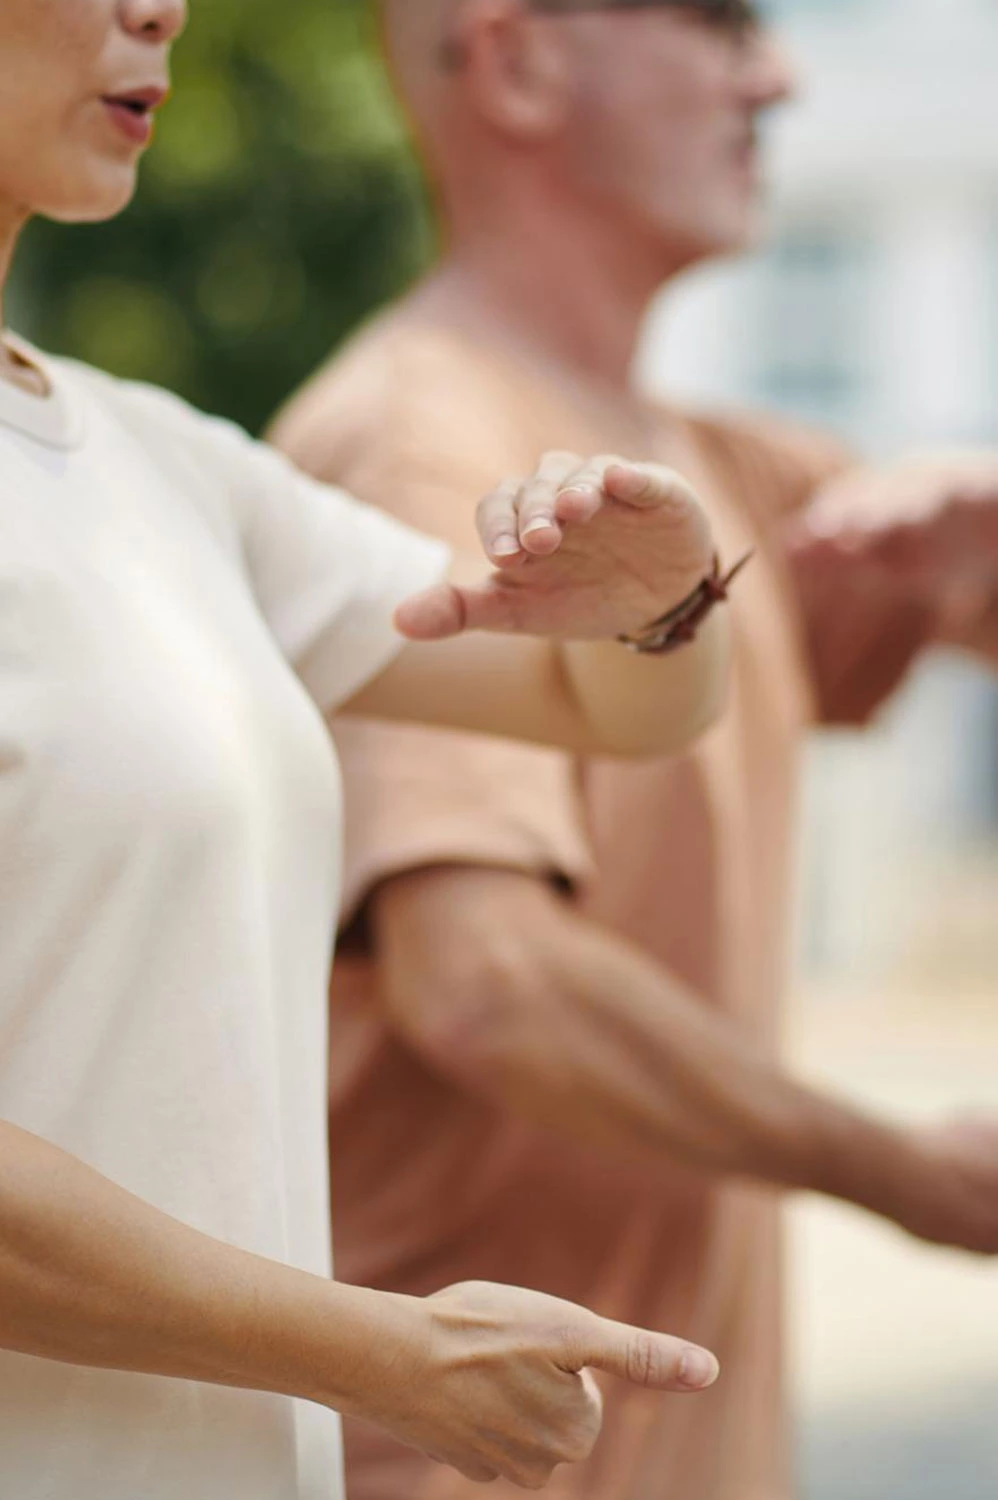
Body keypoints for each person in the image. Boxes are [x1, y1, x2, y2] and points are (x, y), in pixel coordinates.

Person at [0, 4, 736, 1499]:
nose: (163, 8)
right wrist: (377, 1354)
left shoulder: (157, 461)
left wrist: (662, 602)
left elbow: (613, 708)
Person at [270, 2, 998, 1497]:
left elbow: (959, 596)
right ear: (522, 60)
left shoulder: (702, 469)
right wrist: (906, 1173)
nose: (776, 73)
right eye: (720, 22)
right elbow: (487, 985)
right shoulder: (426, 448)